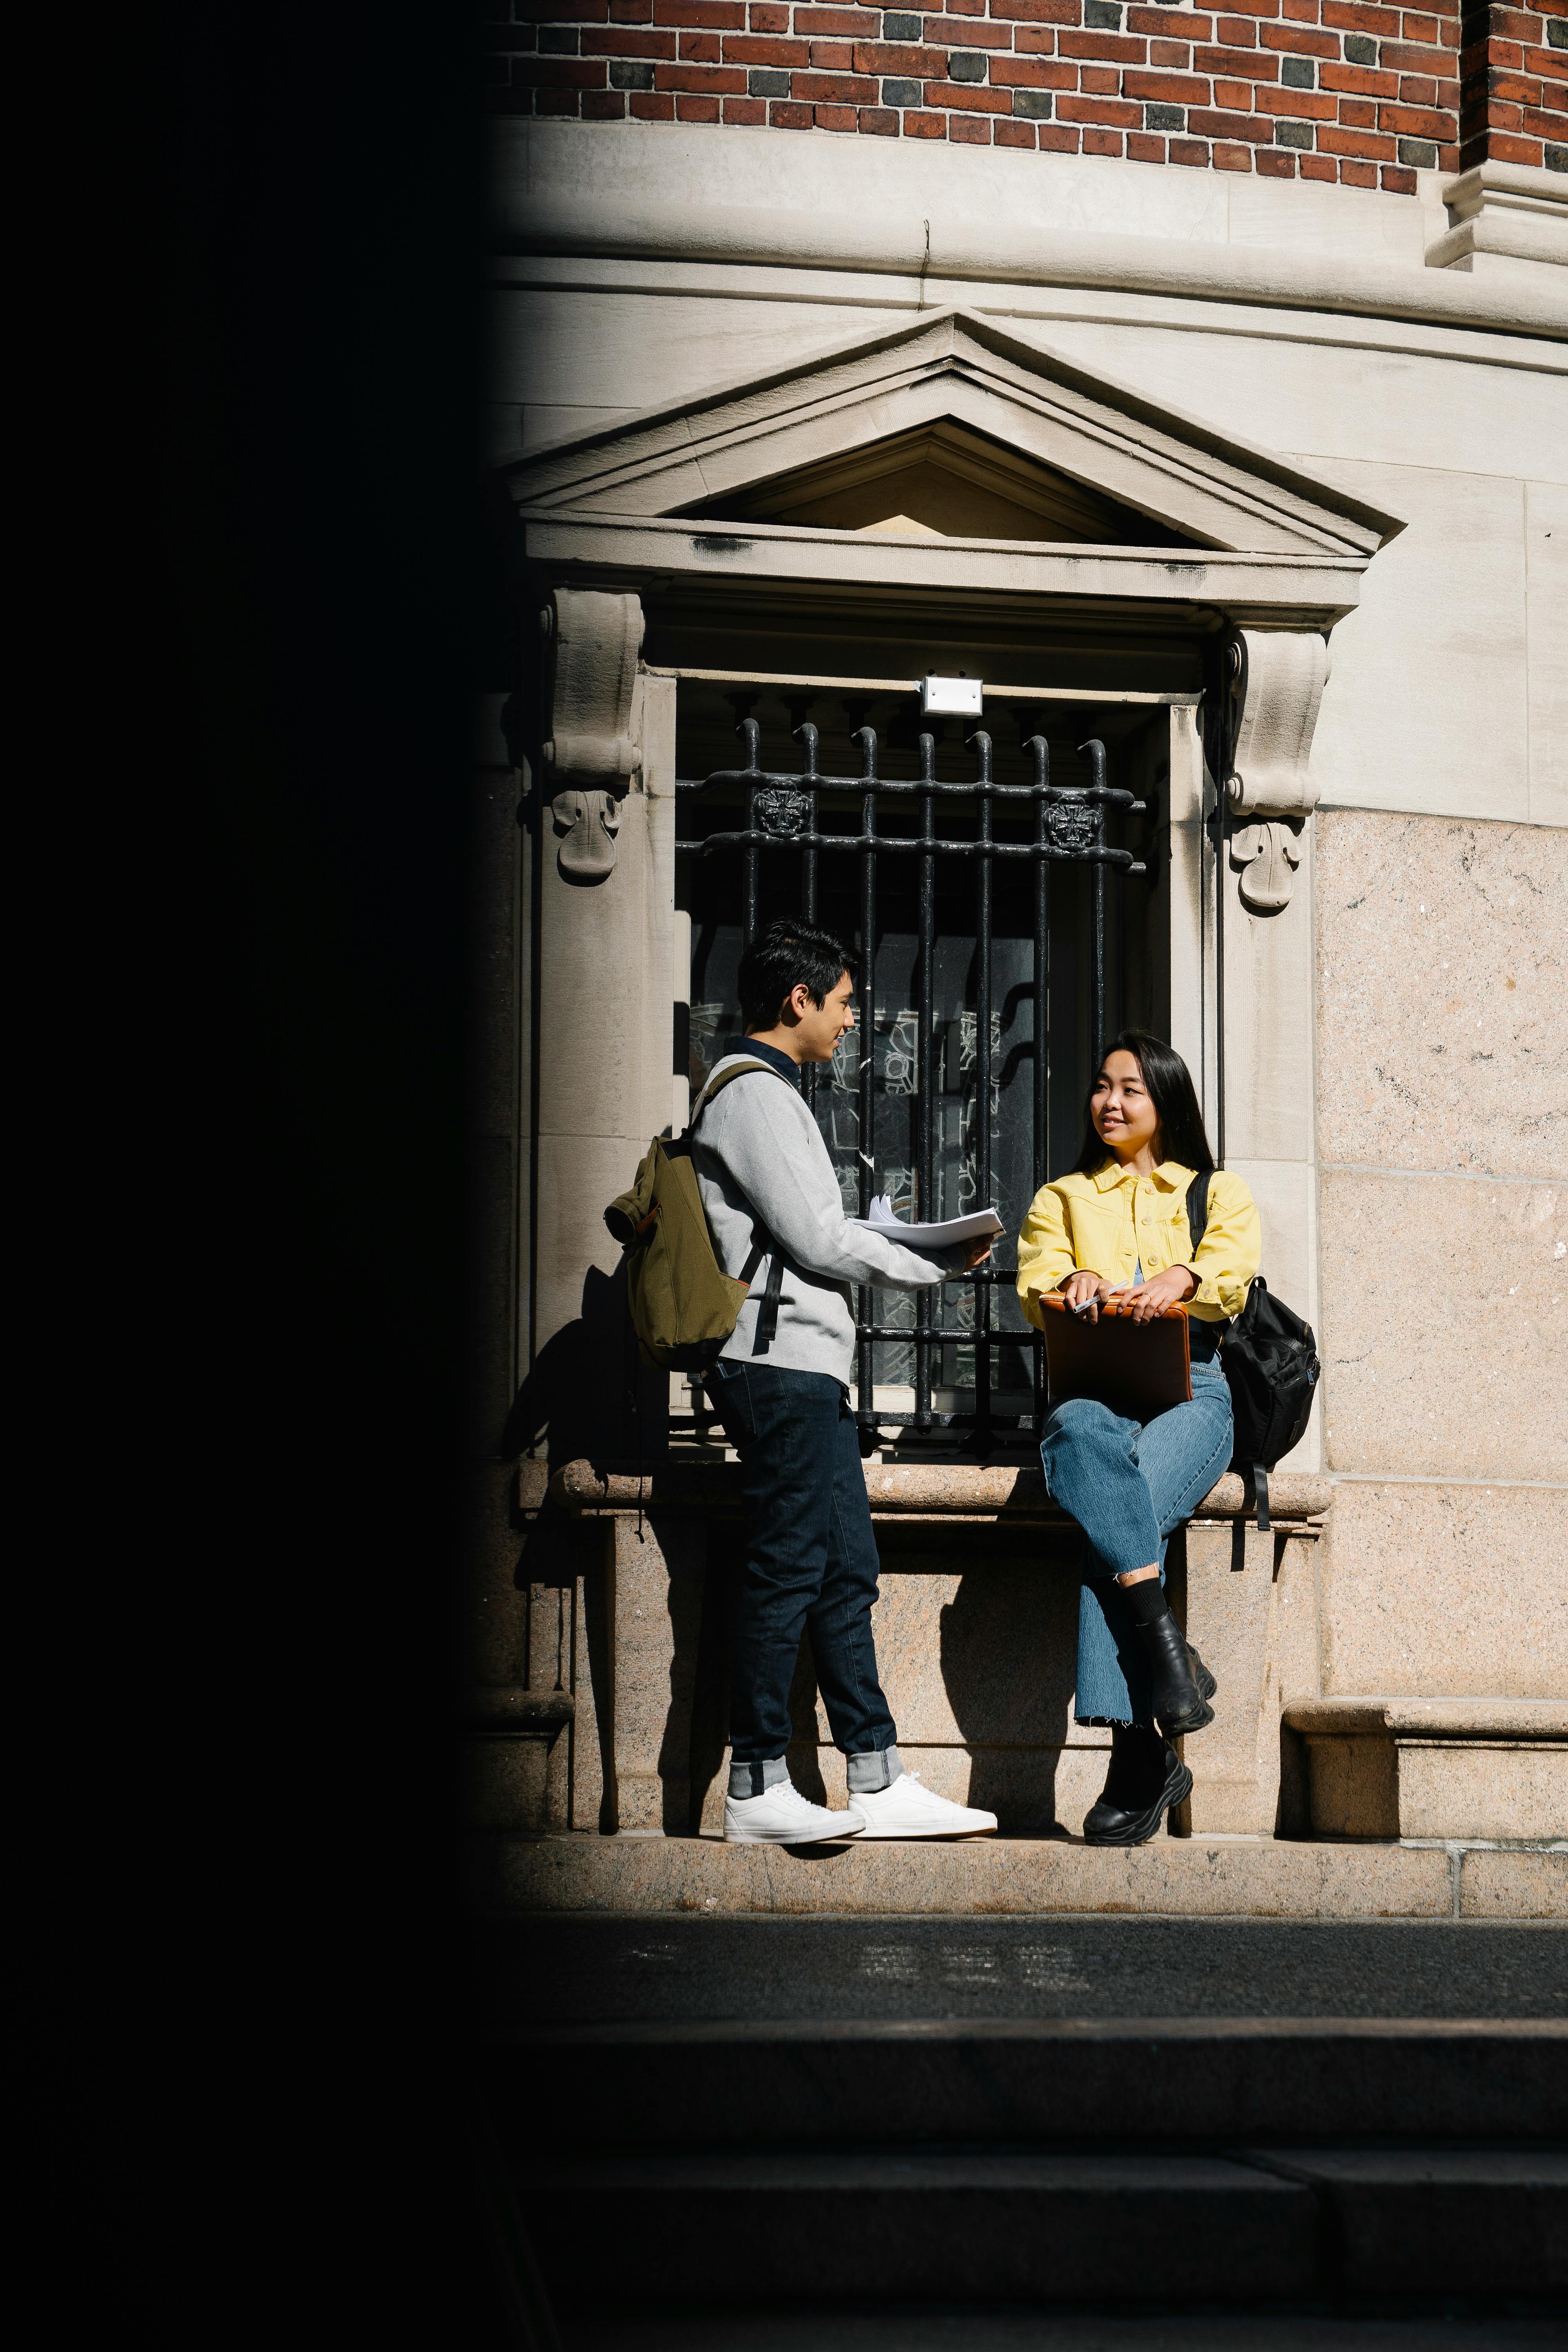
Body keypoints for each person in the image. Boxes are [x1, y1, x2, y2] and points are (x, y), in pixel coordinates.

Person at [695, 916, 999, 1846]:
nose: (854, 1020)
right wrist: (934, 1267)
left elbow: (812, 1226)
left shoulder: (769, 1092)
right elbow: (816, 1238)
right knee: (791, 1566)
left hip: (802, 1367)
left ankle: (874, 1776)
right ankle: (754, 1785)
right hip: (777, 1365)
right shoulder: (752, 1094)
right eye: (843, 1002)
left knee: (841, 1572)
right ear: (798, 1001)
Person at [1016, 1032, 1261, 1847]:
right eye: (1100, 1086)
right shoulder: (1060, 1198)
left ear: (1164, 1103)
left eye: (1130, 1089)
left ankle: (1134, 1756)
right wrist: (1071, 1283)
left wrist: (1182, 1277)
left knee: (1107, 1523)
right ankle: (1168, 1666)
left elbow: (1231, 1268)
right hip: (1096, 1395)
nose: (1110, 1103)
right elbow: (1033, 1284)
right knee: (1080, 1440)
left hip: (1194, 1388)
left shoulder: (1212, 1192)